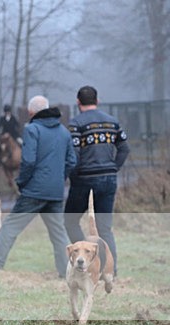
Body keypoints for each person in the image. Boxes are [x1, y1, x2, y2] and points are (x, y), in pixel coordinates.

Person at [0, 95, 77, 277]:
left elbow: (28, 161)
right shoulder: (64, 131)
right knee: (59, 235)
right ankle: (68, 272)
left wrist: (21, 182)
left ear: (31, 113)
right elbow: (72, 161)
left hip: (33, 192)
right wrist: (59, 179)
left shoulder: (32, 129)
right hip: (55, 192)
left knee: (9, 228)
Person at [64, 85, 130, 277]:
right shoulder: (113, 122)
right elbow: (124, 148)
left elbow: (74, 155)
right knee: (104, 227)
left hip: (84, 180)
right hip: (109, 180)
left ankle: (83, 258)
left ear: (78, 102)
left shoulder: (75, 124)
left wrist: (74, 175)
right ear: (97, 101)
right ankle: (111, 270)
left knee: (70, 220)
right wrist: (113, 167)